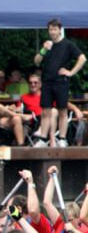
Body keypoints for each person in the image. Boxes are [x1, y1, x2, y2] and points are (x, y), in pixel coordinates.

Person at [34, 18, 86, 147]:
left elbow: (82, 58)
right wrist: (43, 50)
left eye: (55, 29)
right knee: (46, 111)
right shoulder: (47, 45)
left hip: (61, 81)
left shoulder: (67, 44)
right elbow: (36, 61)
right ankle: (43, 139)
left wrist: (71, 72)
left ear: (59, 30)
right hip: (47, 81)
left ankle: (62, 138)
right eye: (50, 29)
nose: (52, 32)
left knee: (62, 110)